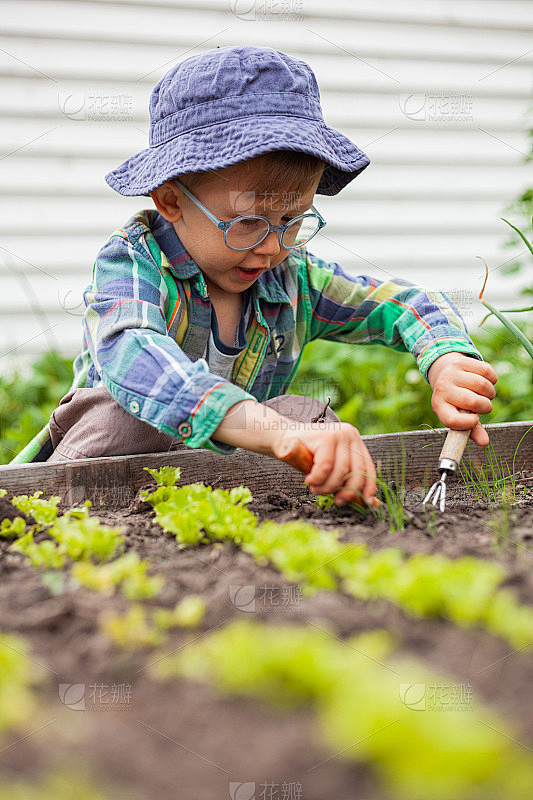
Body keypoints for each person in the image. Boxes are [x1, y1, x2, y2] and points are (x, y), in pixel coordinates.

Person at [13, 45, 497, 508]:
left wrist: (447, 360)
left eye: (293, 222)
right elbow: (133, 356)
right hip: (106, 473)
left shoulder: (292, 279)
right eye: (247, 223)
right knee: (124, 417)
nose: (271, 247)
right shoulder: (134, 262)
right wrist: (273, 432)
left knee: (316, 422)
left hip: (236, 476)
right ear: (171, 200)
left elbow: (404, 305)